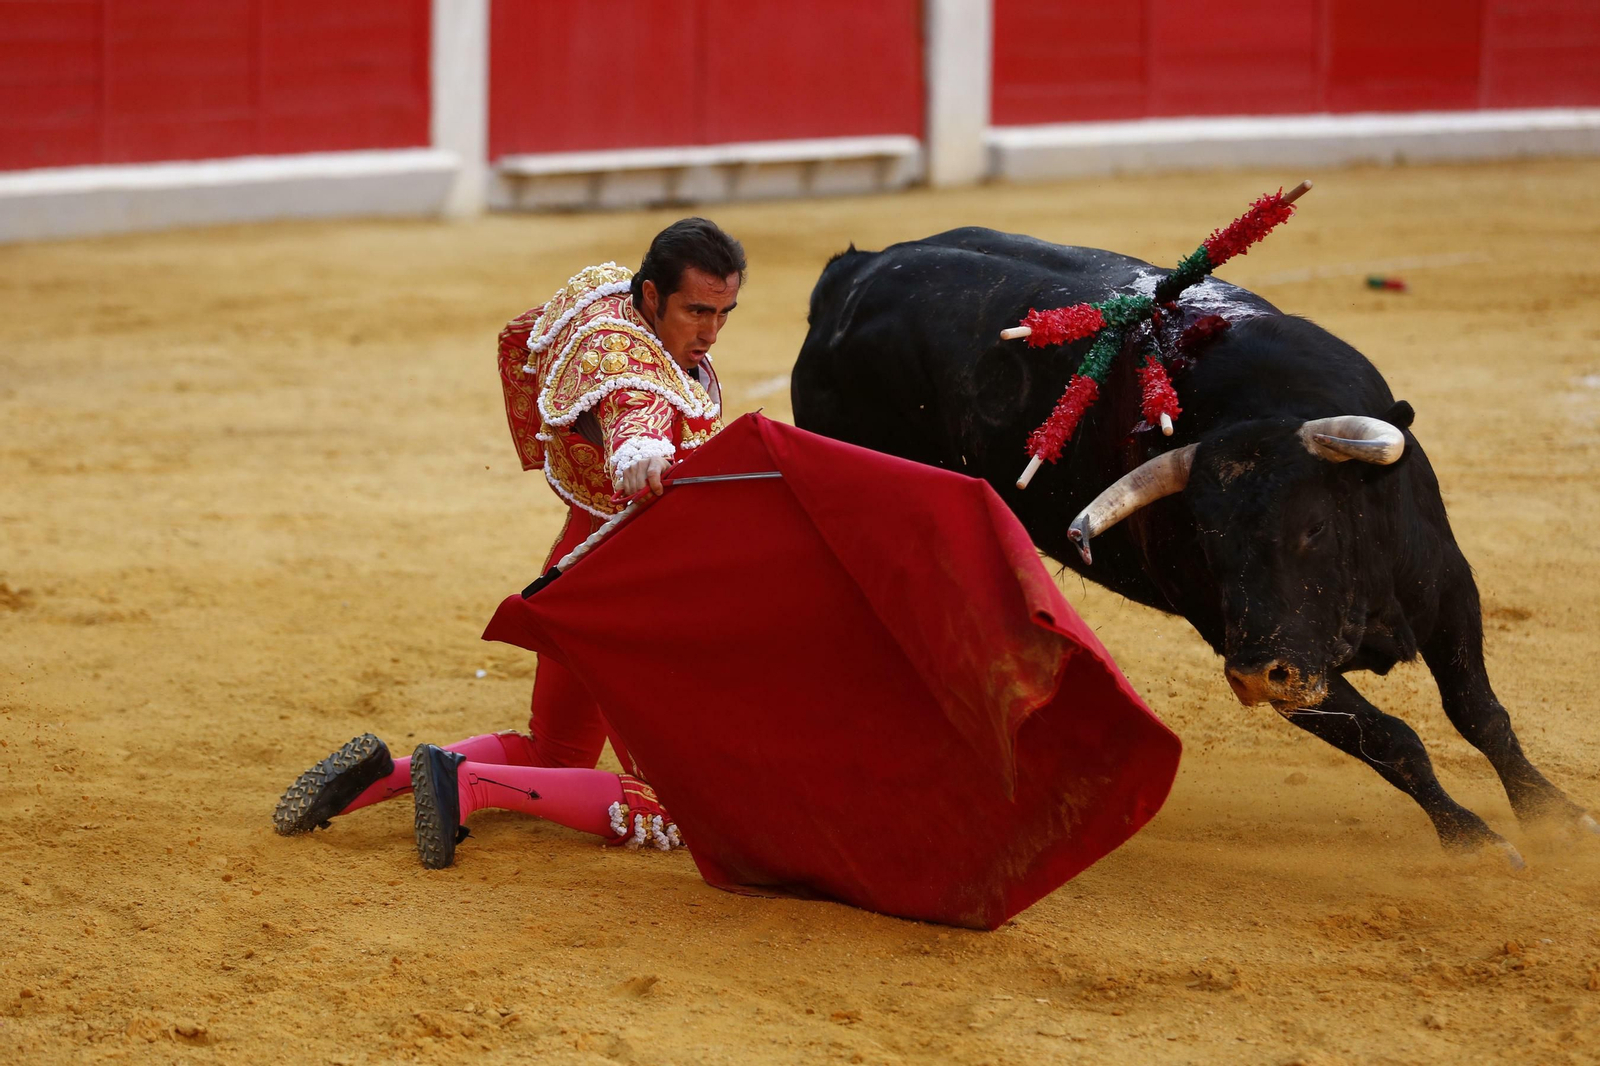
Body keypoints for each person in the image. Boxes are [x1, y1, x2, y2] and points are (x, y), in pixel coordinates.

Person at [273, 218, 747, 867]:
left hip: (577, 574)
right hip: (631, 602)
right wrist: (640, 456)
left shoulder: (605, 304)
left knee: (556, 753)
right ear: (650, 296)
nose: (710, 332)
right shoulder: (635, 377)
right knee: (679, 805)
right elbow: (635, 421)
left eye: (723, 313)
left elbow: (534, 328)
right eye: (697, 311)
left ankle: (388, 774)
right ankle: (471, 784)